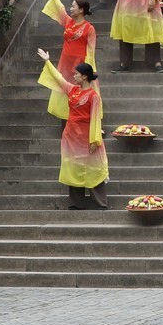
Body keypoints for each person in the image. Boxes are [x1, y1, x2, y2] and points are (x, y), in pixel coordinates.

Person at [36, 48, 107, 210]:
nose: (73, 76)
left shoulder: (93, 96)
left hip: (87, 136)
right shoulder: (72, 90)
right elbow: (59, 78)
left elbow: (96, 119)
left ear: (84, 76)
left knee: (93, 167)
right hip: (71, 136)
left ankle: (100, 202)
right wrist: (47, 61)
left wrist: (95, 139)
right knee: (72, 166)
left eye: (76, 74)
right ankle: (77, 202)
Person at [38, 0, 97, 120]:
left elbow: (90, 51)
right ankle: (65, 118)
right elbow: (60, 8)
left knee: (80, 91)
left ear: (81, 10)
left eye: (73, 6)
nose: (70, 8)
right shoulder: (68, 22)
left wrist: (88, 70)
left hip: (79, 66)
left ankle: (84, 119)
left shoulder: (89, 28)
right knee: (64, 88)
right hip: (65, 63)